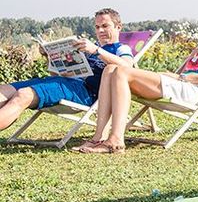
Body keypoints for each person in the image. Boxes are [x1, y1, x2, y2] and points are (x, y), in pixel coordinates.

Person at [75, 10, 198, 154]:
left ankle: (116, 140)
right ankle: (99, 137)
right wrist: (175, 76)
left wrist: (181, 77)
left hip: (192, 92)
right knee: (110, 69)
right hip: (178, 85)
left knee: (120, 70)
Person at [0, 8, 133, 131]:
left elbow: (128, 68)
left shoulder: (120, 48)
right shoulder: (87, 48)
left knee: (24, 95)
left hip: (84, 93)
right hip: (63, 82)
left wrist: (96, 51)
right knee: (4, 90)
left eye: (105, 26)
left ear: (118, 27)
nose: (100, 31)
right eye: (97, 27)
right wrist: (50, 56)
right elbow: (55, 74)